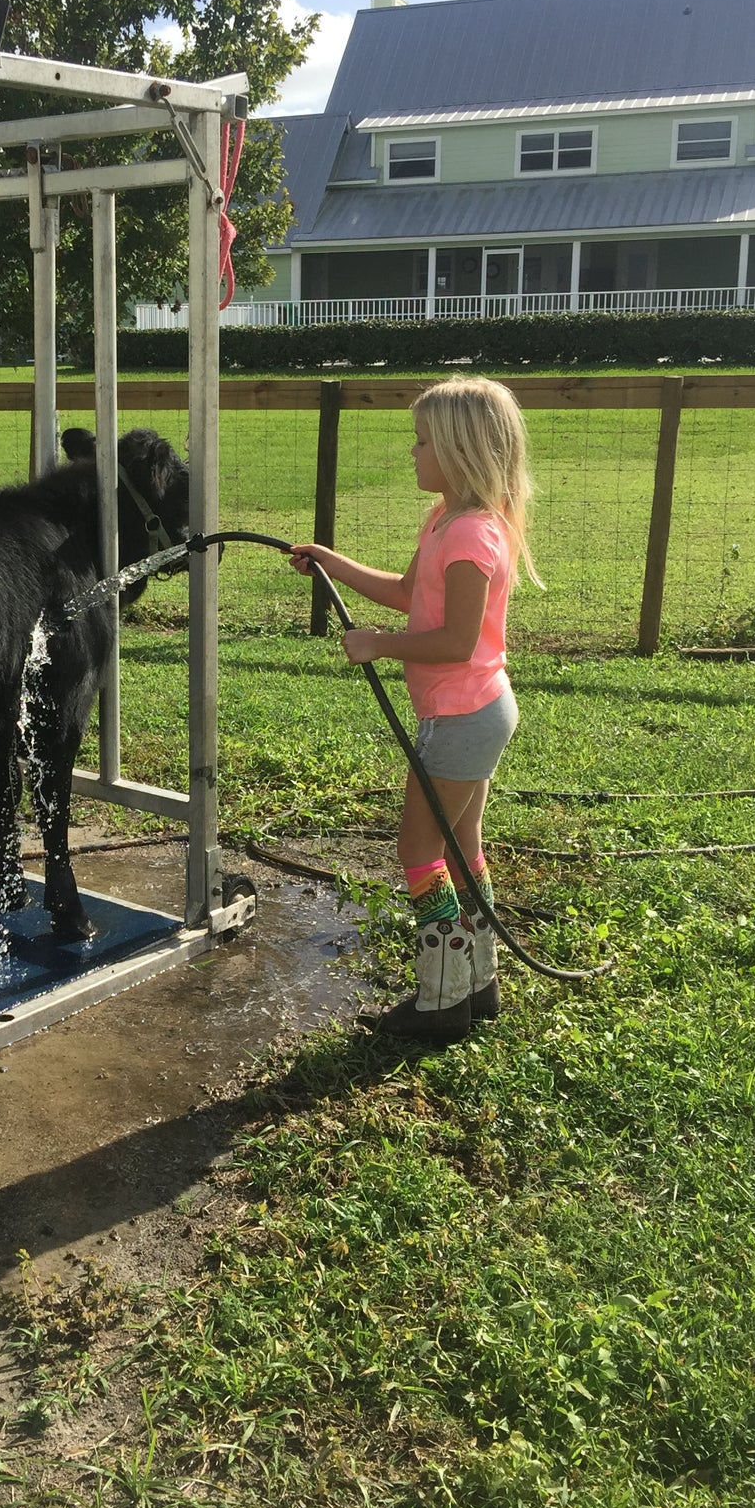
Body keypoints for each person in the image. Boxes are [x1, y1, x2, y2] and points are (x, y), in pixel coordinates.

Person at [288, 376, 541, 1041]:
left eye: (422, 440)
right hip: (473, 709)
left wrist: (377, 644)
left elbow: (455, 641)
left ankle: (439, 1003)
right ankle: (475, 984)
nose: (412, 451)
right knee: (460, 847)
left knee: (417, 849)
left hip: (462, 716)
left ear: (458, 452)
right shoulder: (445, 521)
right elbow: (406, 592)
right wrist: (328, 562)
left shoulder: (469, 538)